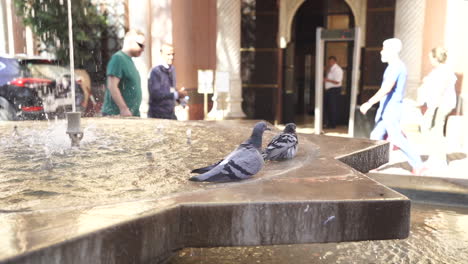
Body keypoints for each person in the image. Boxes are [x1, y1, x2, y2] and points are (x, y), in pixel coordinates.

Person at [360, 38, 426, 175]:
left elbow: (386, 89)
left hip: (392, 108)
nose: (381, 52)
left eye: (384, 49)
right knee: (376, 136)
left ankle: (418, 164)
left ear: (392, 51)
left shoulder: (396, 67)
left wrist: (369, 102)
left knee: (396, 138)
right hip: (387, 108)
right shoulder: (393, 67)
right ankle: (374, 164)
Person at [417, 47, 457, 174]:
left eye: (431, 58)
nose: (430, 60)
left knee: (436, 131)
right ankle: (435, 158)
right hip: (439, 104)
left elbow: (440, 91)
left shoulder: (443, 71)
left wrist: (431, 108)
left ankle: (440, 161)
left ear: (436, 58)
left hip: (440, 105)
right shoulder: (441, 70)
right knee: (433, 130)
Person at [101, 29, 145, 117]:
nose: (143, 49)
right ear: (130, 42)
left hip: (129, 116)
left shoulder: (129, 60)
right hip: (116, 116)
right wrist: (124, 109)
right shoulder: (118, 59)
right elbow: (112, 86)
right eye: (140, 45)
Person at [148, 44, 187, 119]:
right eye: (168, 54)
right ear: (161, 54)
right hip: (158, 114)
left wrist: (180, 98)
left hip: (170, 112)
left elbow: (171, 89)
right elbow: (155, 94)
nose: (171, 57)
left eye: (173, 54)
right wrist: (176, 94)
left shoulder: (172, 69)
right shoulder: (155, 71)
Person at [323, 56, 343, 129]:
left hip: (334, 90)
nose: (329, 63)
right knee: (328, 107)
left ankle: (333, 124)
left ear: (334, 61)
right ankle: (328, 123)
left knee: (332, 107)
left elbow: (337, 81)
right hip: (329, 90)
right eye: (329, 61)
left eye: (331, 61)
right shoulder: (331, 69)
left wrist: (326, 80)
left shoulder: (337, 70)